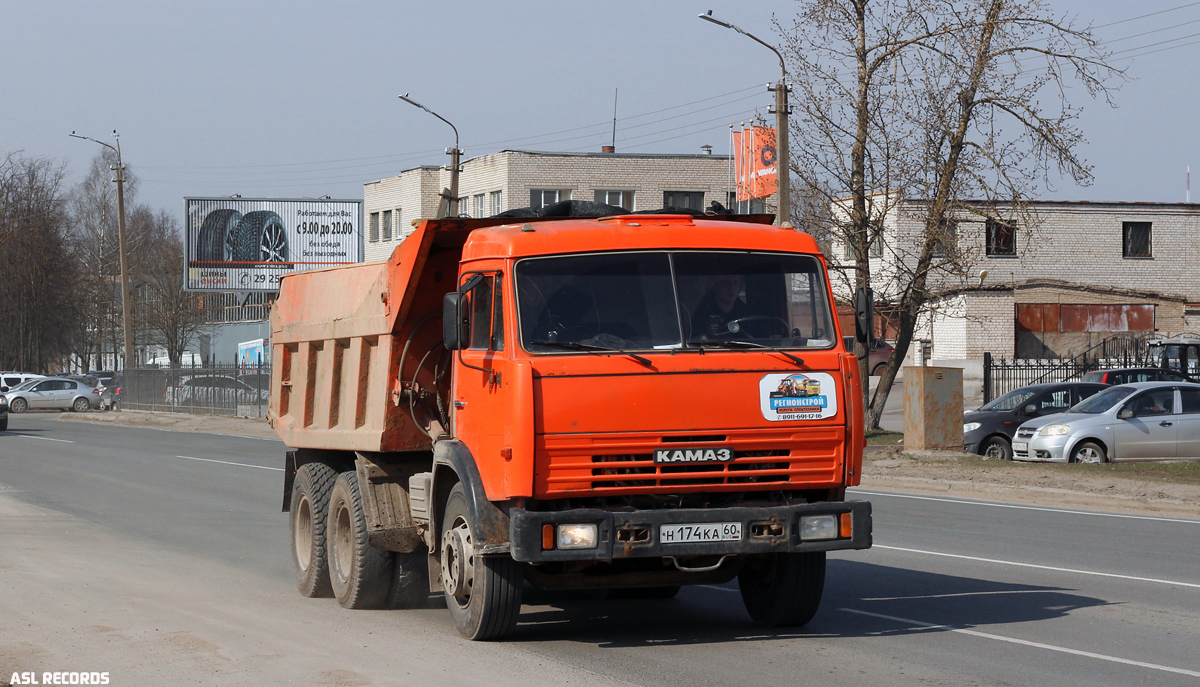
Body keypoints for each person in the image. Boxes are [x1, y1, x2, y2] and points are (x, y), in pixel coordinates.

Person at [690, 274, 749, 339]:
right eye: (726, 283)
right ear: (716, 286)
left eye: (735, 283)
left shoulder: (746, 313)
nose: (732, 287)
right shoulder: (702, 314)